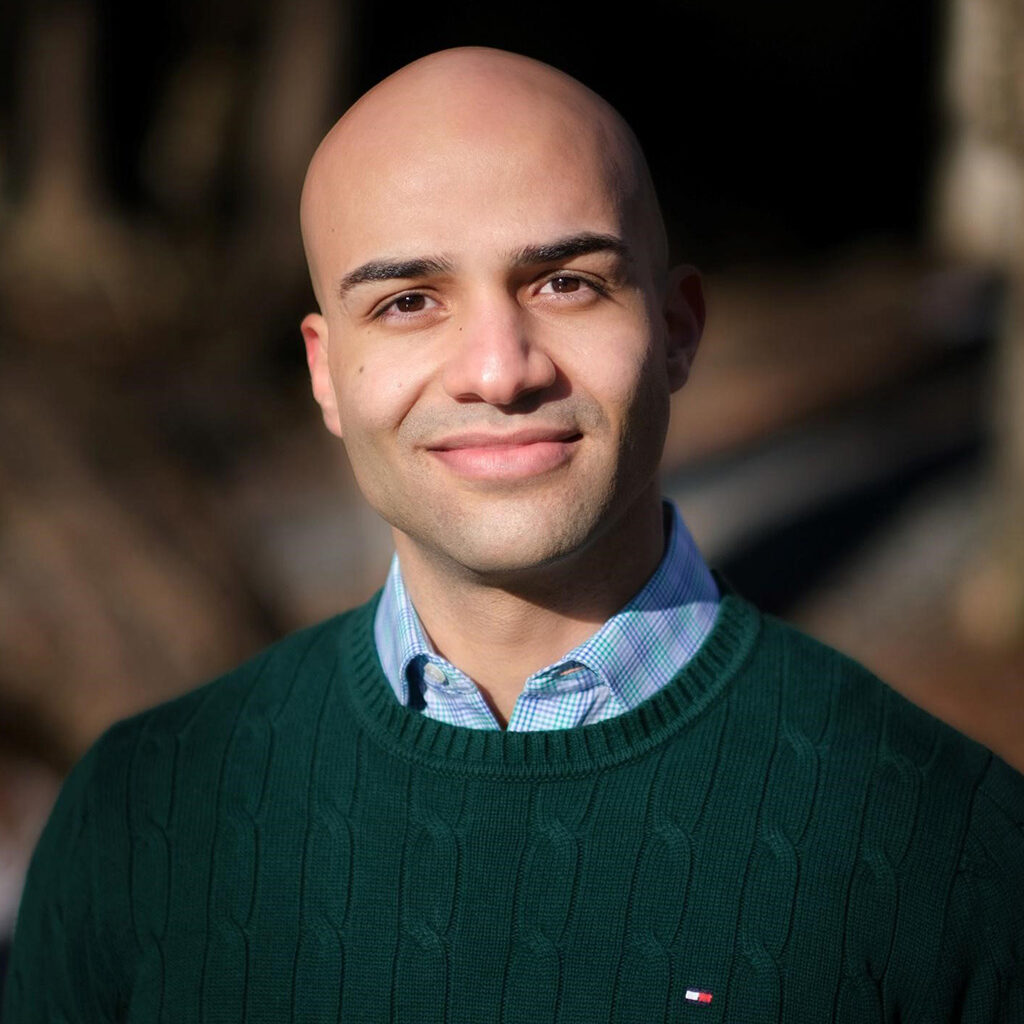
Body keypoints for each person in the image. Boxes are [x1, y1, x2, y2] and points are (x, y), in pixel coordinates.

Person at [4, 47, 1023, 1023]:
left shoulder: (945, 837)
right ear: (324, 371)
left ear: (676, 330)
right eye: (408, 301)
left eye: (565, 282)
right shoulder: (139, 817)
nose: (498, 370)